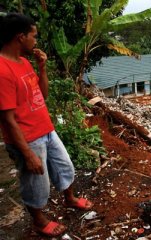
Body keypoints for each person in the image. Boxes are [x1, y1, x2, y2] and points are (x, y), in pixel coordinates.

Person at [0, 13, 93, 237]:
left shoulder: (23, 62)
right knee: (36, 184)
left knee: (65, 167)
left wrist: (42, 68)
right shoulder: (2, 70)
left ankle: (69, 199)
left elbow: (42, 94)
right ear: (20, 37)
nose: (36, 41)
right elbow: (7, 119)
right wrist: (27, 154)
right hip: (28, 138)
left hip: (46, 130)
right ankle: (39, 221)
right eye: (34, 36)